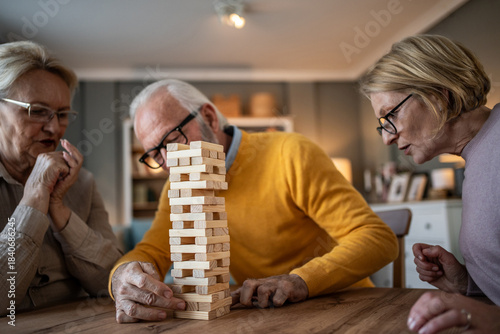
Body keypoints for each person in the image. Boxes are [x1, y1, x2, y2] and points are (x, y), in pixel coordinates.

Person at [109, 78, 399, 323]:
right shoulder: (178, 186)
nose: (170, 162)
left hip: (343, 310)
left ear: (208, 117)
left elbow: (377, 238)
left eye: (173, 140)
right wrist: (123, 276)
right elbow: (153, 250)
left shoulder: (290, 153)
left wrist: (299, 280)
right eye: (155, 154)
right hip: (262, 319)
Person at [360, 34, 500, 333]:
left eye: (391, 115)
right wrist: (465, 284)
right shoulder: (479, 155)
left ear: (439, 95)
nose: (387, 137)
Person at [0, 41, 122, 314]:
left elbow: (111, 282)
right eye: (37, 111)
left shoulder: (83, 184)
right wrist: (33, 201)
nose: (54, 127)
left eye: (63, 114)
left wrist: (57, 207)